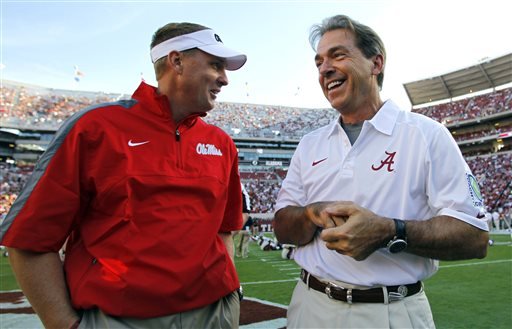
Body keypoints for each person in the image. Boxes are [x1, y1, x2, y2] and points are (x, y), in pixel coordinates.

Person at [0, 22, 247, 329]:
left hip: (215, 312)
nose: (224, 79)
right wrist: (63, 324)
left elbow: (224, 230)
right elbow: (29, 240)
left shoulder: (222, 143)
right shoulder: (95, 128)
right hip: (120, 318)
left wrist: (229, 300)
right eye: (215, 65)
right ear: (176, 61)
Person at [273, 14, 489, 329]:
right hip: (310, 305)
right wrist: (310, 215)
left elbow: (475, 237)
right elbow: (281, 226)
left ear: (376, 63)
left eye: (338, 55)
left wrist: (390, 231)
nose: (324, 69)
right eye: (318, 62)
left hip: (391, 312)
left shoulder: (426, 135)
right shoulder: (310, 144)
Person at [236, 183, 253, 258]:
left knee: (239, 243)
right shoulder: (248, 217)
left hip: (240, 230)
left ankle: (238, 253)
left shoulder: (242, 216)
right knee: (245, 243)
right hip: (246, 230)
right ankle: (244, 254)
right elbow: (251, 225)